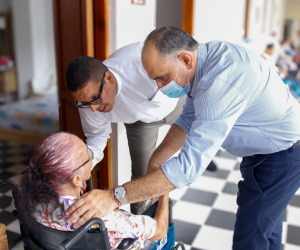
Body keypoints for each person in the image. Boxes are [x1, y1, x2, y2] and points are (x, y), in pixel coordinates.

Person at [66, 26, 300, 249]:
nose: (159, 86)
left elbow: (187, 170)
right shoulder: (206, 61)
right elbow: (188, 117)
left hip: (280, 156)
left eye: (162, 78)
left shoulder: (219, 83)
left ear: (185, 59)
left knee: (250, 238)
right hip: (267, 151)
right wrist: (158, 158)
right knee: (267, 230)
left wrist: (113, 197)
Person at [66, 43, 217, 214]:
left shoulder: (141, 58)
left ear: (109, 78)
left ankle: (201, 153)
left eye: (95, 98)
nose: (93, 108)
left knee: (197, 137)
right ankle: (141, 231)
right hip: (141, 122)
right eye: (85, 103)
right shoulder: (88, 105)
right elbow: (96, 138)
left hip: (176, 105)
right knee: (142, 175)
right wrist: (86, 164)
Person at [16, 132, 169, 249]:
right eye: (88, 155)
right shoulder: (104, 218)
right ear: (77, 179)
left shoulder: (30, 200)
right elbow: (160, 230)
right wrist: (164, 192)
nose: (92, 156)